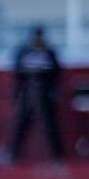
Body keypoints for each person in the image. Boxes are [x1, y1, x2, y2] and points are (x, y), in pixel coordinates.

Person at [10, 25, 64, 163]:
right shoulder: (24, 51)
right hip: (27, 93)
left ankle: (57, 155)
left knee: (50, 125)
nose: (37, 39)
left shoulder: (49, 52)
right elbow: (17, 71)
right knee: (21, 124)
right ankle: (13, 154)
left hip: (45, 94)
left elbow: (56, 72)